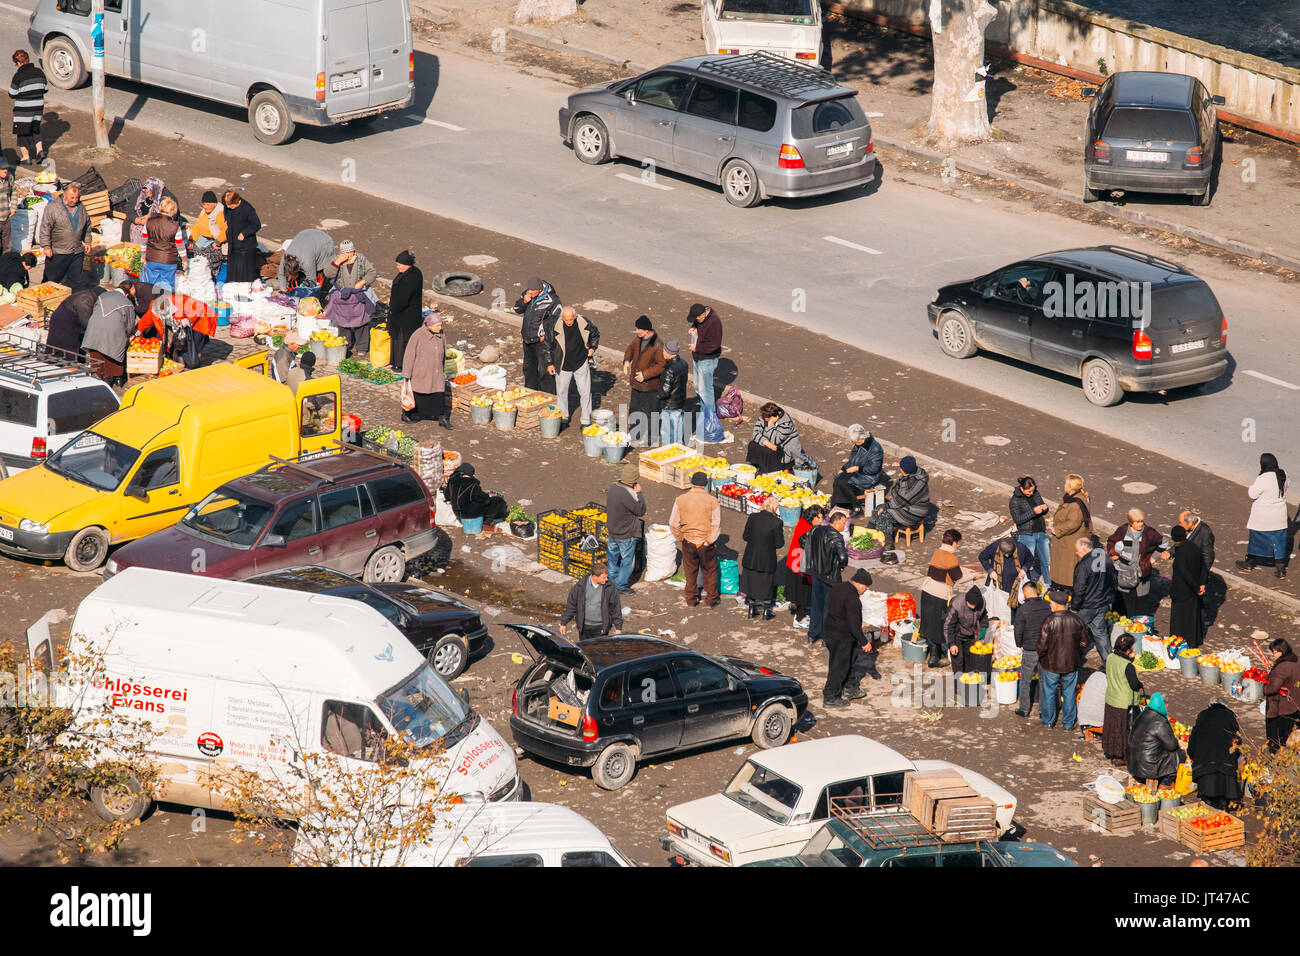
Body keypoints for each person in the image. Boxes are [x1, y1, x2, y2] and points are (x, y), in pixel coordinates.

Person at [822, 569, 881, 708]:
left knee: (851, 659)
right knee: (839, 666)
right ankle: (830, 696)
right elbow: (854, 626)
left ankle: (850, 687)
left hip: (831, 632)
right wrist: (864, 642)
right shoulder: (852, 599)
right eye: (866, 587)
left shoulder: (838, 587)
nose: (866, 590)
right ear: (860, 584)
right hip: (841, 637)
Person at [1037, 588, 1089, 730]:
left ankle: (1049, 720)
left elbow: (1041, 646)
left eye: (1051, 602)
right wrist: (1075, 649)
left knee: (1049, 692)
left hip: (1051, 664)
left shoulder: (1048, 621)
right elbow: (1085, 642)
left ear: (1056, 604)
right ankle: (1068, 723)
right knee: (1069, 692)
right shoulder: (1076, 620)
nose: (1049, 605)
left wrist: (1042, 656)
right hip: (1071, 663)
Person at [669, 471, 721, 608]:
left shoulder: (680, 499)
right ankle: (711, 600)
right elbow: (716, 524)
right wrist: (709, 540)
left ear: (692, 483)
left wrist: (681, 537)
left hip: (688, 541)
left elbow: (673, 523)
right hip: (705, 542)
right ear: (705, 484)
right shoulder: (712, 501)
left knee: (690, 570)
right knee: (709, 570)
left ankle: (691, 599)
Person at [544, 306, 599, 428]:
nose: (568, 322)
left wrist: (592, 348)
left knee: (585, 392)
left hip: (580, 362)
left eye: (571, 319)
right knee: (562, 392)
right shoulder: (554, 326)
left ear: (575, 316)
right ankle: (563, 418)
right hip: (562, 364)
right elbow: (547, 345)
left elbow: (595, 334)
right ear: (562, 318)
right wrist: (550, 363)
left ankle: (586, 421)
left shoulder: (583, 322)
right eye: (566, 319)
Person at [1237, 452, 1290, 577]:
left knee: (1256, 540)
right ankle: (1281, 569)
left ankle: (1249, 563)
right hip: (1279, 517)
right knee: (1279, 542)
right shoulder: (1283, 474)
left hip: (1263, 517)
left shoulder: (1263, 478)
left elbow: (1252, 494)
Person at [1106, 509, 1167, 617]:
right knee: (1122, 606)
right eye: (1137, 522)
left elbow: (1164, 543)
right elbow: (1111, 542)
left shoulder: (1149, 533)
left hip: (1141, 575)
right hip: (1124, 574)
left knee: (1139, 607)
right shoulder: (1122, 530)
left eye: (1141, 521)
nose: (1140, 524)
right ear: (1131, 522)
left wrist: (1153, 558)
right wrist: (1113, 554)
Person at [920, 529, 967, 668]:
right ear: (954, 542)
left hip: (927, 590)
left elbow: (949, 571)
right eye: (957, 542)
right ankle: (934, 659)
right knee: (939, 624)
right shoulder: (951, 557)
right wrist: (974, 575)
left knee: (929, 622)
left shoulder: (937, 552)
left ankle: (935, 651)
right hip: (939, 594)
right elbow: (958, 578)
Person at [804, 509, 850, 646]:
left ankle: (812, 635)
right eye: (843, 523)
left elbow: (803, 540)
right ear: (837, 523)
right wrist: (842, 565)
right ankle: (825, 637)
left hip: (816, 573)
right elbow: (842, 557)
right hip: (831, 577)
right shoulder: (837, 537)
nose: (844, 526)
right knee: (828, 608)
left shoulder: (817, 529)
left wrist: (813, 555)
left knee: (816, 605)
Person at [1187, 699, 1243, 810]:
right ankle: (1223, 806)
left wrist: (1191, 753)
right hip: (1226, 761)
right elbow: (1238, 740)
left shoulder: (1203, 715)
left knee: (1208, 798)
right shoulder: (1230, 716)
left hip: (1205, 761)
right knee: (1223, 791)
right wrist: (1236, 756)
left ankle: (1209, 804)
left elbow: (1194, 736)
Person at [37, 181, 91, 290]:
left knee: (77, 281)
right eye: (72, 198)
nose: (75, 200)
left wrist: (88, 241)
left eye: (77, 197)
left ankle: (76, 301)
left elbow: (87, 224)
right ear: (65, 195)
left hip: (76, 251)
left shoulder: (80, 207)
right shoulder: (53, 208)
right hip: (59, 251)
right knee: (51, 280)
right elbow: (45, 227)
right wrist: (46, 246)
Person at [1070, 535, 1116, 664]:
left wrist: (1074, 606)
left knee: (1075, 632)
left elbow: (1079, 589)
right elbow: (1113, 580)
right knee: (1100, 632)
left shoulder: (1083, 565)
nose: (1076, 554)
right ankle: (1109, 662)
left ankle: (1073, 659)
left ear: (1084, 549)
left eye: (1077, 551)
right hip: (1103, 603)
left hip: (1087, 605)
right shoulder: (1106, 559)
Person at [622, 315, 666, 447]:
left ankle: (651, 438)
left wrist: (645, 375)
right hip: (636, 384)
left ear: (646, 330)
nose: (636, 331)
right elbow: (630, 349)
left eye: (638, 329)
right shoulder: (638, 339)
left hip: (650, 386)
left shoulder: (658, 345)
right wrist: (626, 360)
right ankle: (635, 433)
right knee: (635, 408)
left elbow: (661, 365)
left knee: (651, 411)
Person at [401, 311, 450, 428]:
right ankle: (407, 414)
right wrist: (407, 374)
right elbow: (409, 355)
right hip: (421, 372)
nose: (440, 328)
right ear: (430, 325)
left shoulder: (441, 334)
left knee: (438, 392)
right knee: (420, 393)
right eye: (438, 325)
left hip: (436, 371)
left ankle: (441, 417)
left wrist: (442, 368)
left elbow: (444, 350)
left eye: (440, 325)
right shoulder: (417, 335)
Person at [513, 276, 561, 393]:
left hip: (542, 342)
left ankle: (548, 398)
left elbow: (557, 322)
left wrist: (547, 337)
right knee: (529, 370)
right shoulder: (527, 294)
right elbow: (517, 309)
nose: (530, 292)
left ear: (540, 289)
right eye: (528, 290)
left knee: (545, 372)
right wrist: (524, 302)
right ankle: (530, 395)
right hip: (527, 340)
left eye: (532, 291)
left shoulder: (552, 300)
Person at [82, 285, 137, 385]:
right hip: (114, 331)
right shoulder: (127, 303)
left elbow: (95, 310)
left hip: (94, 327)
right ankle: (114, 378)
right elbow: (130, 325)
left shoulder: (103, 295)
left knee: (97, 351)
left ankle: (97, 376)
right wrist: (128, 334)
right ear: (127, 294)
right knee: (113, 353)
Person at [741, 496, 786, 619]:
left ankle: (751, 609)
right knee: (766, 583)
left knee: (750, 582)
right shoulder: (777, 522)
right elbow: (779, 544)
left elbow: (745, 536)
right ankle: (766, 612)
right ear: (774, 508)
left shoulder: (752, 517)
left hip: (751, 556)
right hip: (767, 558)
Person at [1127, 692, 1184, 789]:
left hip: (1132, 762)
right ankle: (1166, 782)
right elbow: (1172, 745)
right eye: (1166, 704)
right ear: (1162, 704)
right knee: (1179, 755)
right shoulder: (1159, 721)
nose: (1167, 707)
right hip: (1147, 766)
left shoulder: (1142, 714)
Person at [1102, 634, 1143, 767]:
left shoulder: (1110, 658)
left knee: (1112, 728)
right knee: (1123, 731)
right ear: (1127, 650)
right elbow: (1134, 684)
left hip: (1111, 699)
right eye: (1132, 649)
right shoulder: (1128, 666)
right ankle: (1122, 757)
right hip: (1123, 703)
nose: (1134, 651)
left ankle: (1112, 752)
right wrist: (1140, 684)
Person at [868, 456, 930, 543]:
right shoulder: (909, 476)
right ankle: (869, 532)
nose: (900, 469)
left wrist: (886, 506)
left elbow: (901, 500)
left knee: (884, 514)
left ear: (904, 470)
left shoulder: (916, 482)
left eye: (901, 467)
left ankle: (888, 543)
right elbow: (895, 491)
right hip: (906, 506)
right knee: (878, 508)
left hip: (915, 511)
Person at [606, 462, 646, 596]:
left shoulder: (612, 487)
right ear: (634, 480)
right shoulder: (628, 494)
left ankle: (611, 580)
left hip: (612, 530)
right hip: (625, 533)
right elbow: (640, 511)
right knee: (627, 560)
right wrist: (639, 494)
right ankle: (621, 585)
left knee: (612, 557)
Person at [1013, 580, 1050, 717]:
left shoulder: (1023, 609)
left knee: (1025, 680)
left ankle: (1024, 709)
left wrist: (1019, 643)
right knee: (1043, 680)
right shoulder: (1047, 606)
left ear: (1026, 593)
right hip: (1045, 648)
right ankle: (1042, 710)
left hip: (1029, 648)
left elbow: (1018, 629)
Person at [1048, 474, 1091, 590]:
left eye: (1066, 484)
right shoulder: (1073, 497)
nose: (1064, 486)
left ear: (1071, 487)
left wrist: (1056, 529)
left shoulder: (1075, 504)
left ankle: (1066, 590)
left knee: (1067, 569)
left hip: (1068, 543)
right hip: (1067, 541)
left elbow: (1073, 523)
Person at [134, 195, 186, 292]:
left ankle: (153, 304)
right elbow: (180, 245)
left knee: (152, 286)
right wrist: (184, 260)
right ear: (172, 211)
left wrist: (143, 255)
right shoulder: (175, 226)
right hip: (168, 261)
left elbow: (144, 240)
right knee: (167, 287)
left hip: (152, 259)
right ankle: (164, 305)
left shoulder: (149, 222)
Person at [784, 505, 824, 629]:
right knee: (803, 591)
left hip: (794, 562)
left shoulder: (802, 522)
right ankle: (799, 618)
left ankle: (799, 610)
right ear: (811, 517)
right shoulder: (808, 529)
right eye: (818, 518)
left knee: (799, 590)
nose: (820, 520)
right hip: (801, 565)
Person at [1167, 525, 1207, 648]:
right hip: (1194, 592)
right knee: (1193, 617)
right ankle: (1194, 640)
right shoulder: (1194, 547)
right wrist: (1202, 584)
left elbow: (1185, 574)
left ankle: (1180, 643)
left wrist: (1196, 587)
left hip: (1182, 591)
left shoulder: (1180, 554)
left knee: (1180, 619)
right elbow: (1203, 566)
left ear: (1174, 538)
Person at [830, 425, 884, 513]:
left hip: (869, 477)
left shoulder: (875, 448)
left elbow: (874, 468)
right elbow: (851, 461)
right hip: (858, 471)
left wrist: (858, 468)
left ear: (860, 439)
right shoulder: (858, 445)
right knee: (838, 479)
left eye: (853, 440)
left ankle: (856, 506)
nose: (851, 442)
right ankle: (840, 505)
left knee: (844, 483)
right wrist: (843, 469)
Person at [686, 303, 722, 435]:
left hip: (707, 359)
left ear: (703, 315)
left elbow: (714, 344)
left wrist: (698, 348)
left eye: (697, 319)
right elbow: (699, 326)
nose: (696, 321)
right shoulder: (701, 318)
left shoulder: (714, 323)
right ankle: (704, 413)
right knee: (698, 387)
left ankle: (711, 419)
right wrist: (694, 328)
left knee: (705, 389)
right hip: (698, 357)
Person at [560, 564, 622, 639]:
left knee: (599, 650)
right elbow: (571, 606)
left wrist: (618, 627)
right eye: (603, 578)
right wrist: (564, 622)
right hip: (584, 628)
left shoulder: (609, 588)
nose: (606, 579)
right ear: (595, 577)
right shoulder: (580, 587)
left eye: (606, 577)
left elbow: (615, 608)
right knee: (584, 649)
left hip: (601, 628)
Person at [1009, 476, 1051, 584]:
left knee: (1046, 561)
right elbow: (1017, 519)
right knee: (1028, 563)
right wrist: (1033, 512)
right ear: (1022, 489)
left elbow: (1042, 507)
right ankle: (1027, 586)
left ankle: (1048, 584)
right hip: (1026, 534)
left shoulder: (1036, 493)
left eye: (1032, 490)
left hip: (1040, 532)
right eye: (1028, 492)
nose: (1031, 493)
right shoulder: (1014, 500)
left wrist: (1045, 509)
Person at [387, 250, 423, 374]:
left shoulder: (410, 278)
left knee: (402, 340)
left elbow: (403, 299)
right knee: (400, 340)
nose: (397, 267)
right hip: (407, 314)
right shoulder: (413, 272)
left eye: (399, 264)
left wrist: (392, 306)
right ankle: (397, 362)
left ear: (406, 264)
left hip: (405, 316)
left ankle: (400, 364)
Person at [8, 51, 47, 165]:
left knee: (22, 131)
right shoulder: (39, 72)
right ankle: (40, 151)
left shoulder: (18, 76)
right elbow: (45, 88)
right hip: (38, 106)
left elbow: (12, 93)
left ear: (18, 63)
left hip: (24, 108)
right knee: (35, 128)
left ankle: (26, 157)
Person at [978, 535, 1036, 609]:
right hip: (999, 581)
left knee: (1016, 607)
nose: (1007, 555)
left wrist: (1024, 569)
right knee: (999, 605)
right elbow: (982, 557)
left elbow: (1030, 559)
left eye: (1009, 554)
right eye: (1004, 554)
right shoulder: (994, 546)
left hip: (1016, 582)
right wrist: (990, 570)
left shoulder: (1021, 547)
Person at [1263, 637, 1300, 752]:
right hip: (1295, 704)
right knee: (1292, 735)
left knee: (1276, 738)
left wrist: (1264, 687)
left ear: (1281, 652)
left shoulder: (1282, 668)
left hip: (1281, 708)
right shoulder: (1296, 660)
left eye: (1274, 652)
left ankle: (1275, 758)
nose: (1273, 655)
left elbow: (1272, 688)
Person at [444, 462, 509, 526]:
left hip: (457, 513)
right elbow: (485, 500)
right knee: (498, 501)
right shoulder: (473, 485)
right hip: (470, 514)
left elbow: (447, 496)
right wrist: (488, 496)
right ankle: (486, 522)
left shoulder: (452, 483)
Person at [45, 285, 103, 355]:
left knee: (63, 345)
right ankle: (65, 364)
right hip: (64, 321)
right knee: (66, 347)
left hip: (67, 320)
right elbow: (86, 322)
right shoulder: (85, 300)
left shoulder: (89, 295)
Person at [944, 586, 990, 674]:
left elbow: (984, 619)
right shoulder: (957, 604)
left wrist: (982, 636)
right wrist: (951, 644)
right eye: (970, 604)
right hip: (957, 634)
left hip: (970, 634)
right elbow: (948, 626)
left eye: (974, 605)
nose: (972, 607)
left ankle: (969, 684)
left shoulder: (982, 603)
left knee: (970, 661)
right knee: (958, 661)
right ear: (966, 600)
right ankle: (959, 686)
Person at [747, 403, 803, 473]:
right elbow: (755, 432)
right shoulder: (765, 416)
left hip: (786, 449)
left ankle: (768, 469)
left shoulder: (786, 422)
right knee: (753, 444)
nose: (763, 418)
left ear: (773, 417)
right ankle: (756, 464)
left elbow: (775, 440)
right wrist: (766, 442)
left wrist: (770, 425)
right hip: (770, 443)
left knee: (768, 451)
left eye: (766, 418)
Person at [222, 190, 261, 283]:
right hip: (233, 245)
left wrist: (244, 233)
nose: (228, 207)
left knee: (244, 275)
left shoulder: (247, 208)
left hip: (245, 247)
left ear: (236, 201)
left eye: (230, 205)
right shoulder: (227, 208)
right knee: (233, 274)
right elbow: (227, 216)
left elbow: (256, 224)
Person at [658, 339, 688, 446]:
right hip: (680, 402)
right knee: (679, 429)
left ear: (669, 353)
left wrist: (658, 395)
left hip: (669, 405)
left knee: (667, 432)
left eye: (664, 351)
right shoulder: (684, 363)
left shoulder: (669, 369)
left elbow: (665, 391)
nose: (662, 353)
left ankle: (668, 451)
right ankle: (680, 448)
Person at [0, 157, 16, 255]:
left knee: (8, 246)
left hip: (6, 218)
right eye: (2, 169)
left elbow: (14, 191)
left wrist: (13, 207)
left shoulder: (9, 177)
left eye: (6, 169)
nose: (5, 171)